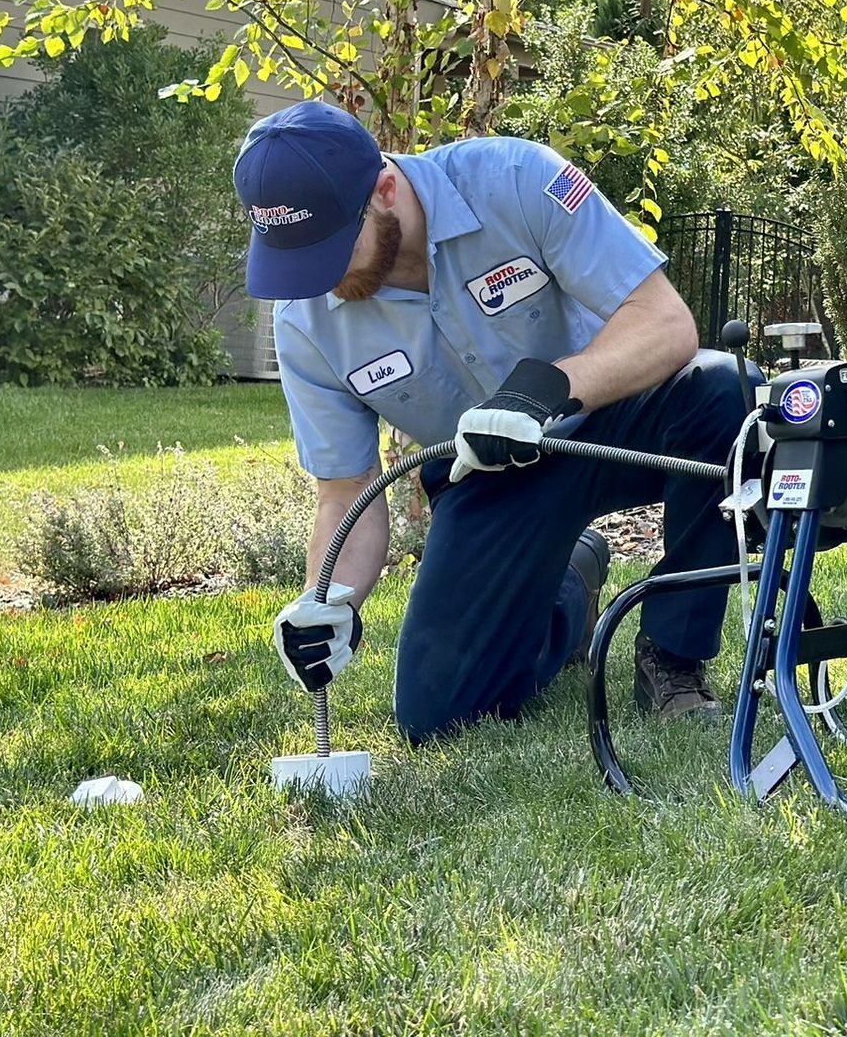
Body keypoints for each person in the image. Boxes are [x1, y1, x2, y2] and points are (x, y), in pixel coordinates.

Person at [238, 99, 751, 743]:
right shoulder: (304, 322)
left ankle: (673, 654)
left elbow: (665, 321)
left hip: (610, 417)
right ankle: (571, 587)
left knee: (721, 388)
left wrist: (547, 391)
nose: (323, 280)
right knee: (439, 718)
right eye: (299, 261)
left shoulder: (517, 179)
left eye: (333, 249)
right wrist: (325, 601)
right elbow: (346, 493)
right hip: (487, 472)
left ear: (386, 189)